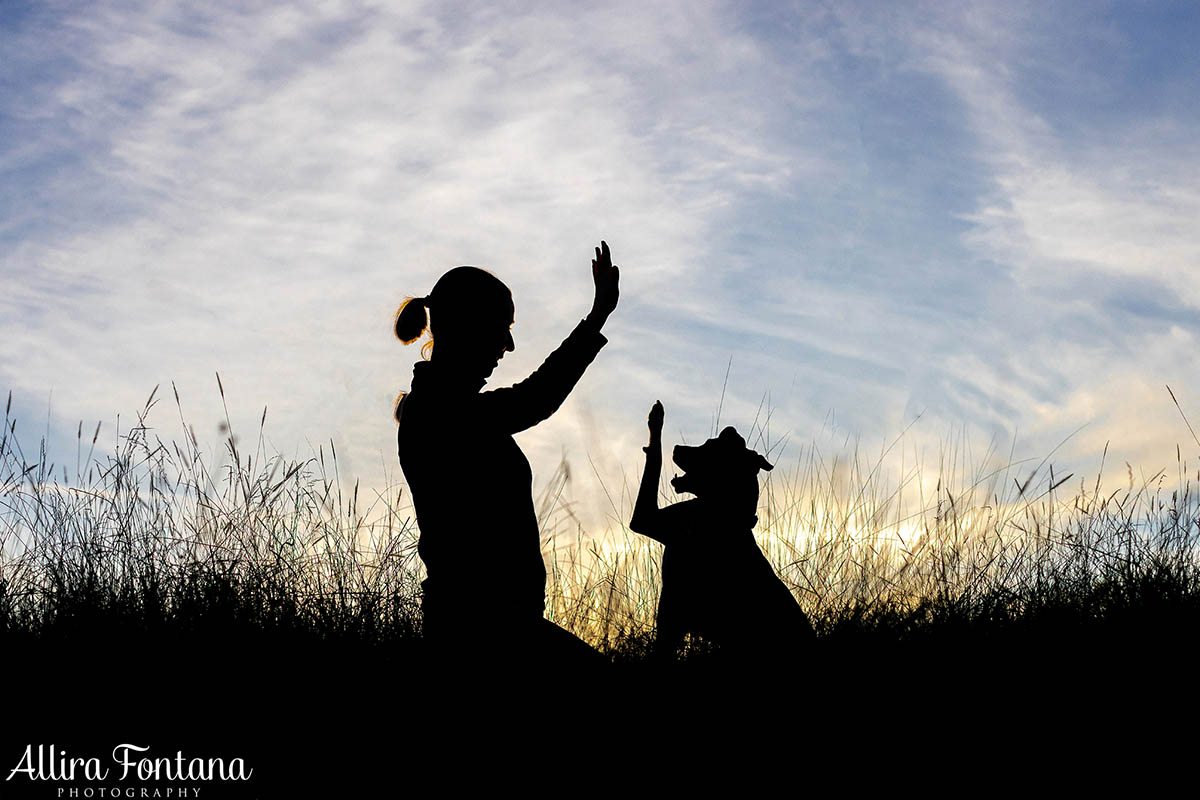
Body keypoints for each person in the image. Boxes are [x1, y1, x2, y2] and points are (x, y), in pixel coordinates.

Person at [393, 241, 619, 675]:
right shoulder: (441, 412)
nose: (509, 345)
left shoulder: (443, 407)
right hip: (481, 634)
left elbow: (530, 400)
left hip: (494, 628)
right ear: (468, 327)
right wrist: (595, 320)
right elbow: (535, 398)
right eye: (502, 326)